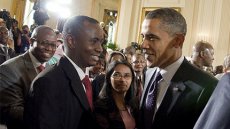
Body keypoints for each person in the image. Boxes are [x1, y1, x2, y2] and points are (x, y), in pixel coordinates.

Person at [139, 8, 218, 129]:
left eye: (152, 37)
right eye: (143, 37)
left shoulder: (206, 86)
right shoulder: (148, 74)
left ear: (177, 41)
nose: (143, 45)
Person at [24, 16, 104, 129]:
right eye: (94, 41)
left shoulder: (83, 79)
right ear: (71, 41)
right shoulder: (48, 82)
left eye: (101, 42)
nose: (100, 49)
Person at [0, 25, 56, 129]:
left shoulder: (53, 67)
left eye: (53, 45)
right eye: (44, 43)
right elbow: (12, 111)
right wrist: (51, 119)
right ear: (31, 41)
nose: (49, 48)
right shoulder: (9, 68)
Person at [94, 60, 138, 129]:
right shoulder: (101, 106)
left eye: (127, 75)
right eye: (117, 75)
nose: (122, 80)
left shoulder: (134, 104)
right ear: (109, 78)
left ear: (132, 79)